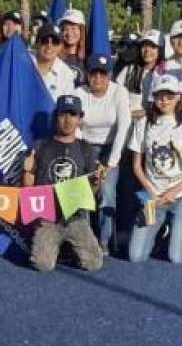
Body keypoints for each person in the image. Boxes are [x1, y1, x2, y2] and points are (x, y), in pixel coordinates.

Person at [126, 75, 182, 264]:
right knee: (136, 256)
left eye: (169, 95)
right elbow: (137, 165)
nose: (164, 100)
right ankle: (161, 230)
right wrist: (152, 192)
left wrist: (173, 191)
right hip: (153, 198)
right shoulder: (143, 124)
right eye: (159, 95)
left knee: (176, 257)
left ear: (178, 97)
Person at [24, 95, 104, 272]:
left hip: (75, 216)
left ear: (80, 119)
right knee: (42, 265)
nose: (67, 120)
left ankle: (66, 248)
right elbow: (28, 190)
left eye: (72, 115)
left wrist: (98, 181)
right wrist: (27, 171)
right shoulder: (40, 146)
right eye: (62, 115)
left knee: (94, 263)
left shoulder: (87, 149)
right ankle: (55, 247)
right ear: (56, 117)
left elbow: (92, 192)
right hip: (47, 218)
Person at [75, 54, 132, 253]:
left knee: (107, 193)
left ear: (109, 75)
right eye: (94, 73)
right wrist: (89, 158)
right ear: (87, 74)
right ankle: (83, 238)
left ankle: (104, 241)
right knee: (83, 192)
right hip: (85, 147)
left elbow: (124, 127)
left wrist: (110, 164)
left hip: (111, 149)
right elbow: (75, 127)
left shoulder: (120, 93)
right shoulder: (79, 93)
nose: (98, 78)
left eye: (103, 73)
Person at [116, 29, 161, 119]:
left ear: (160, 50)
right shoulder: (129, 70)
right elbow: (116, 96)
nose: (147, 51)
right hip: (127, 122)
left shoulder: (164, 73)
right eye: (144, 46)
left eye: (153, 46)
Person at [33, 24, 76, 98]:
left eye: (55, 42)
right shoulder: (23, 63)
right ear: (37, 43)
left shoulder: (66, 75)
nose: (49, 46)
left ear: (61, 46)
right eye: (45, 41)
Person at [57, 8, 88, 86]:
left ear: (81, 31)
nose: (69, 33)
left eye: (73, 28)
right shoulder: (55, 56)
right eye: (65, 29)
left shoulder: (88, 57)